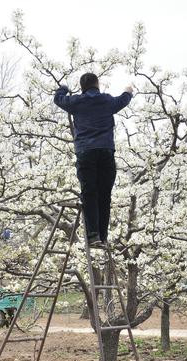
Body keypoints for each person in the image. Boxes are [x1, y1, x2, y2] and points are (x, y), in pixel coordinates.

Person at [53, 72, 133, 246]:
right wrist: (128, 91)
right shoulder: (106, 100)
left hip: (86, 152)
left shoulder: (76, 102)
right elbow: (123, 101)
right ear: (98, 84)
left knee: (89, 193)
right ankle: (103, 237)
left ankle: (93, 235)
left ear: (82, 87)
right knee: (104, 194)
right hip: (105, 151)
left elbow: (58, 99)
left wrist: (64, 88)